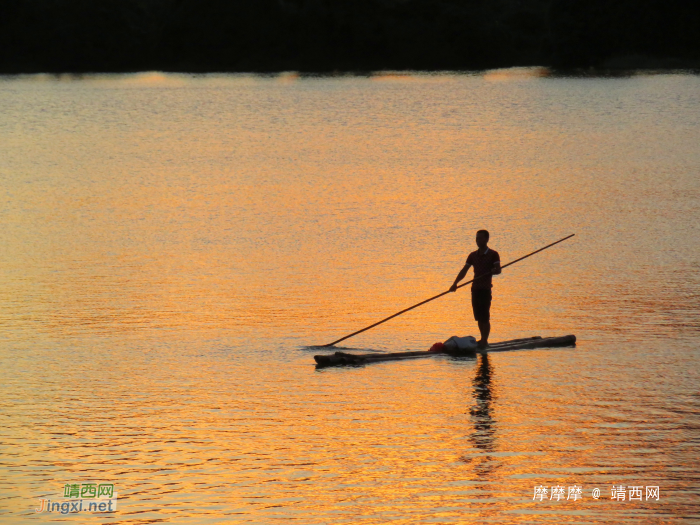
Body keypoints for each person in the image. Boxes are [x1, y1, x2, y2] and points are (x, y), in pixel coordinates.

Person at [449, 230, 501, 348]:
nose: (478, 241)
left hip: (485, 289)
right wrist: (455, 283)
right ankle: (482, 339)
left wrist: (494, 271)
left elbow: (499, 270)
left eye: (481, 238)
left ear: (487, 239)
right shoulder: (473, 255)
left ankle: (484, 340)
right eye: (477, 238)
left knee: (485, 316)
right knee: (478, 317)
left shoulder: (493, 254)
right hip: (475, 289)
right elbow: (464, 271)